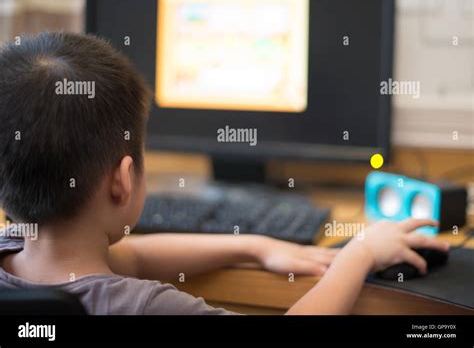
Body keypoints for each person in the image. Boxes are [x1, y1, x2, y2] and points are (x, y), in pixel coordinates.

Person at [0, 32, 449, 314]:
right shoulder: (143, 306)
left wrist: (254, 246)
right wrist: (360, 253)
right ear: (122, 180)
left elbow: (132, 257)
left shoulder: (17, 257)